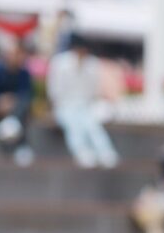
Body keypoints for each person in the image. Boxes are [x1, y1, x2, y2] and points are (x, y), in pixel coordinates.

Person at [46, 33, 119, 168]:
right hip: (64, 106)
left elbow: (93, 91)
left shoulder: (92, 64)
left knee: (92, 126)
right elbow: (54, 91)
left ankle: (105, 153)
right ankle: (82, 152)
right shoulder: (60, 63)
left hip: (85, 106)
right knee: (74, 127)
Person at [0, 42, 35, 166]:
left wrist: (12, 100)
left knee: (22, 108)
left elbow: (26, 93)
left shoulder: (24, 73)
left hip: (16, 106)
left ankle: (21, 145)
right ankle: (9, 128)